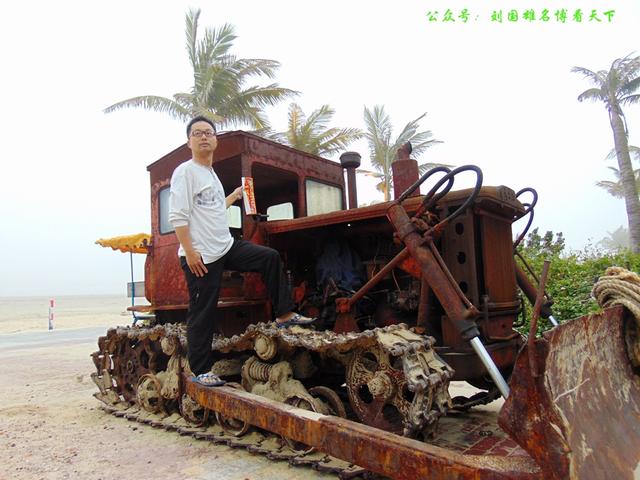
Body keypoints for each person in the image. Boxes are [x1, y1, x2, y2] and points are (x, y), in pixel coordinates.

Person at [168, 116, 316, 386]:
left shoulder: (210, 174)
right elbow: (178, 216)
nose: (204, 137)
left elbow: (211, 209)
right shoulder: (185, 172)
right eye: (198, 133)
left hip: (225, 246)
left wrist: (234, 197)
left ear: (215, 140)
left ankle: (284, 314)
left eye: (209, 133)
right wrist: (189, 252)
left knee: (268, 257)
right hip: (201, 255)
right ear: (189, 141)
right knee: (203, 312)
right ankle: (201, 370)